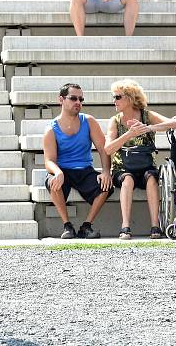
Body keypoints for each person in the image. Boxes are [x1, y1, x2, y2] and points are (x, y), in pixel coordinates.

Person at [104, 79, 176, 240]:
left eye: (118, 97)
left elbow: (175, 123)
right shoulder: (115, 121)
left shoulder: (146, 115)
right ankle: (125, 226)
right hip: (123, 168)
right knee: (128, 180)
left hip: (145, 166)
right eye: (113, 97)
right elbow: (108, 149)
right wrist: (129, 134)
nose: (114, 101)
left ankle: (155, 226)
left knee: (152, 179)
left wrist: (150, 127)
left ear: (130, 98)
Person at [42, 83, 112, 239]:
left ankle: (86, 227)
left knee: (107, 185)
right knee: (52, 180)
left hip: (84, 169)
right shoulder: (51, 129)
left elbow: (103, 149)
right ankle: (67, 226)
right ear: (61, 100)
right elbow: (49, 160)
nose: (78, 102)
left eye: (81, 99)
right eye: (73, 98)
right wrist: (57, 171)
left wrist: (106, 172)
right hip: (63, 170)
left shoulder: (89, 121)